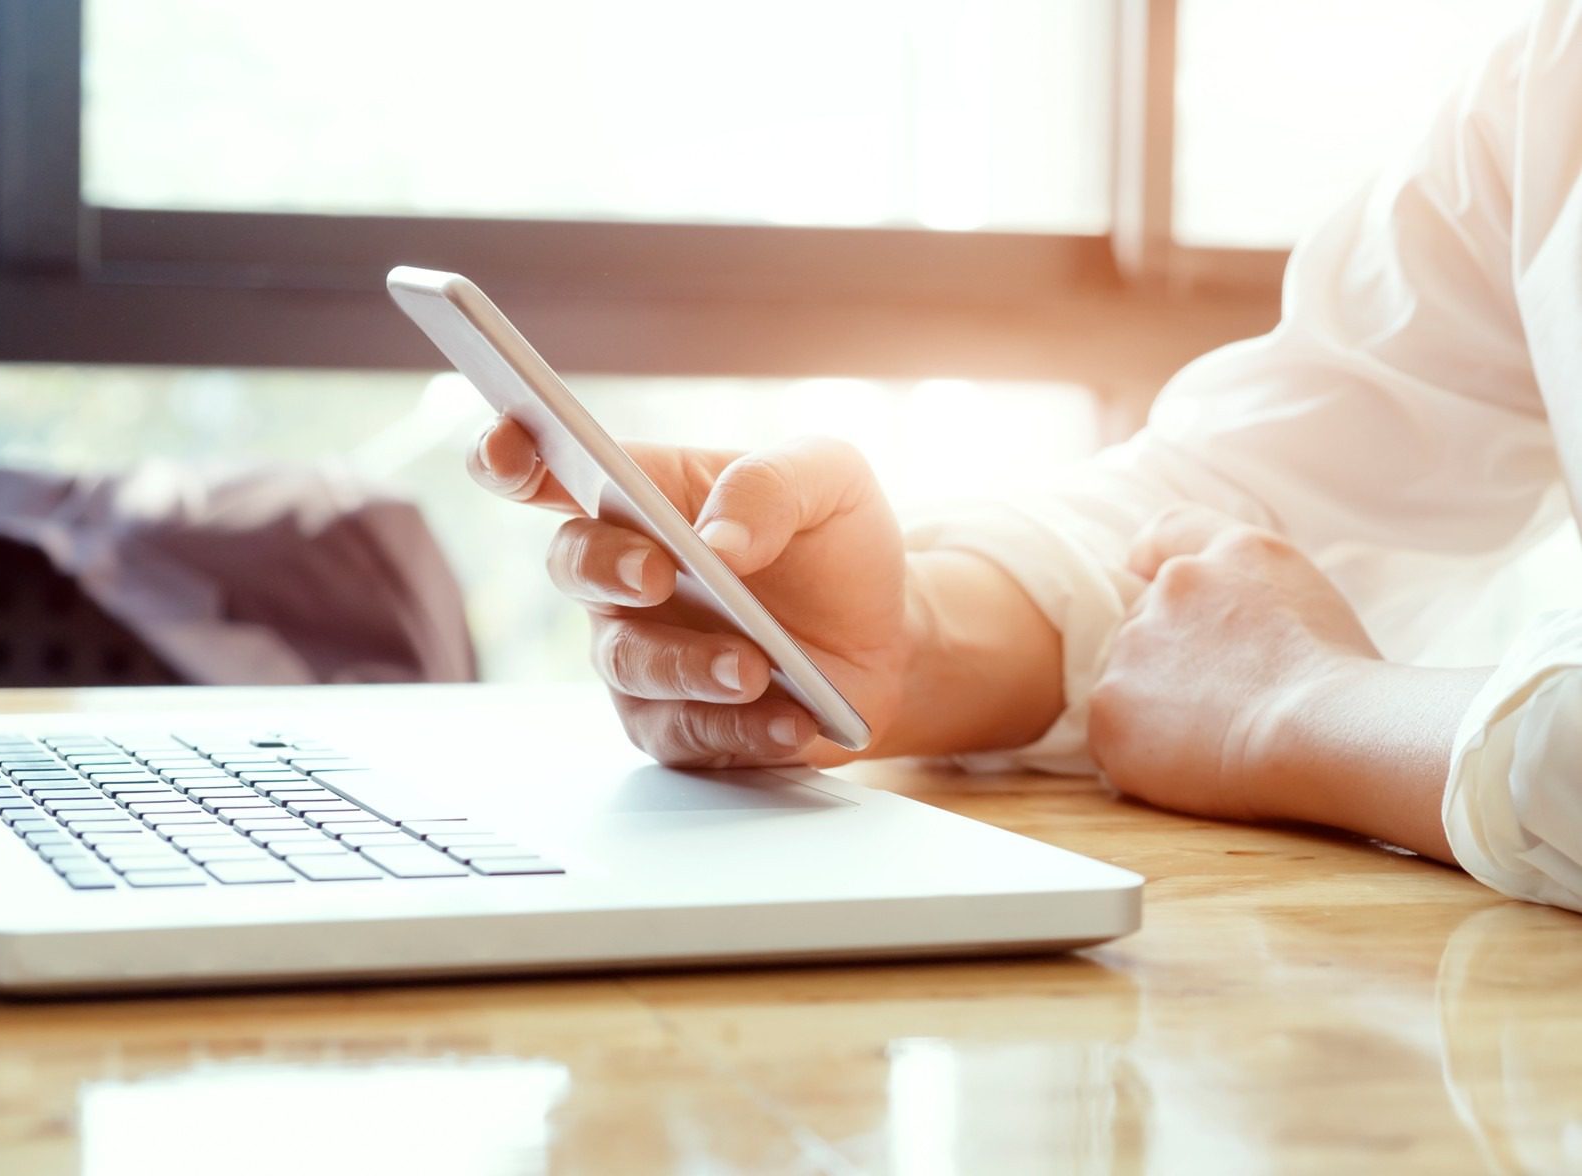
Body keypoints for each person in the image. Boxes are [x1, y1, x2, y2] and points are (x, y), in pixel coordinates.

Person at [466, 0, 1582, 913]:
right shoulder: (1549, 83)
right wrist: (907, 636)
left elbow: (1264, 664)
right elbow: (1281, 489)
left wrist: (1300, 711)